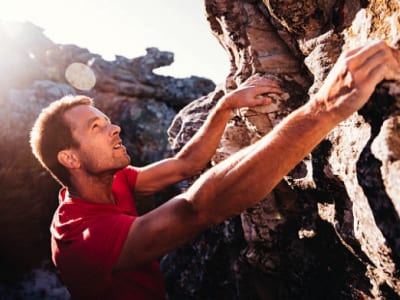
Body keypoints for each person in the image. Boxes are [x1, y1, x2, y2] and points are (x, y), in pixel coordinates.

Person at [30, 40, 400, 299]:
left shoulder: (112, 180)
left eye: (108, 119)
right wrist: (325, 107)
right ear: (70, 158)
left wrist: (225, 107)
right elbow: (198, 208)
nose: (115, 128)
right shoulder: (79, 238)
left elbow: (186, 164)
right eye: (97, 127)